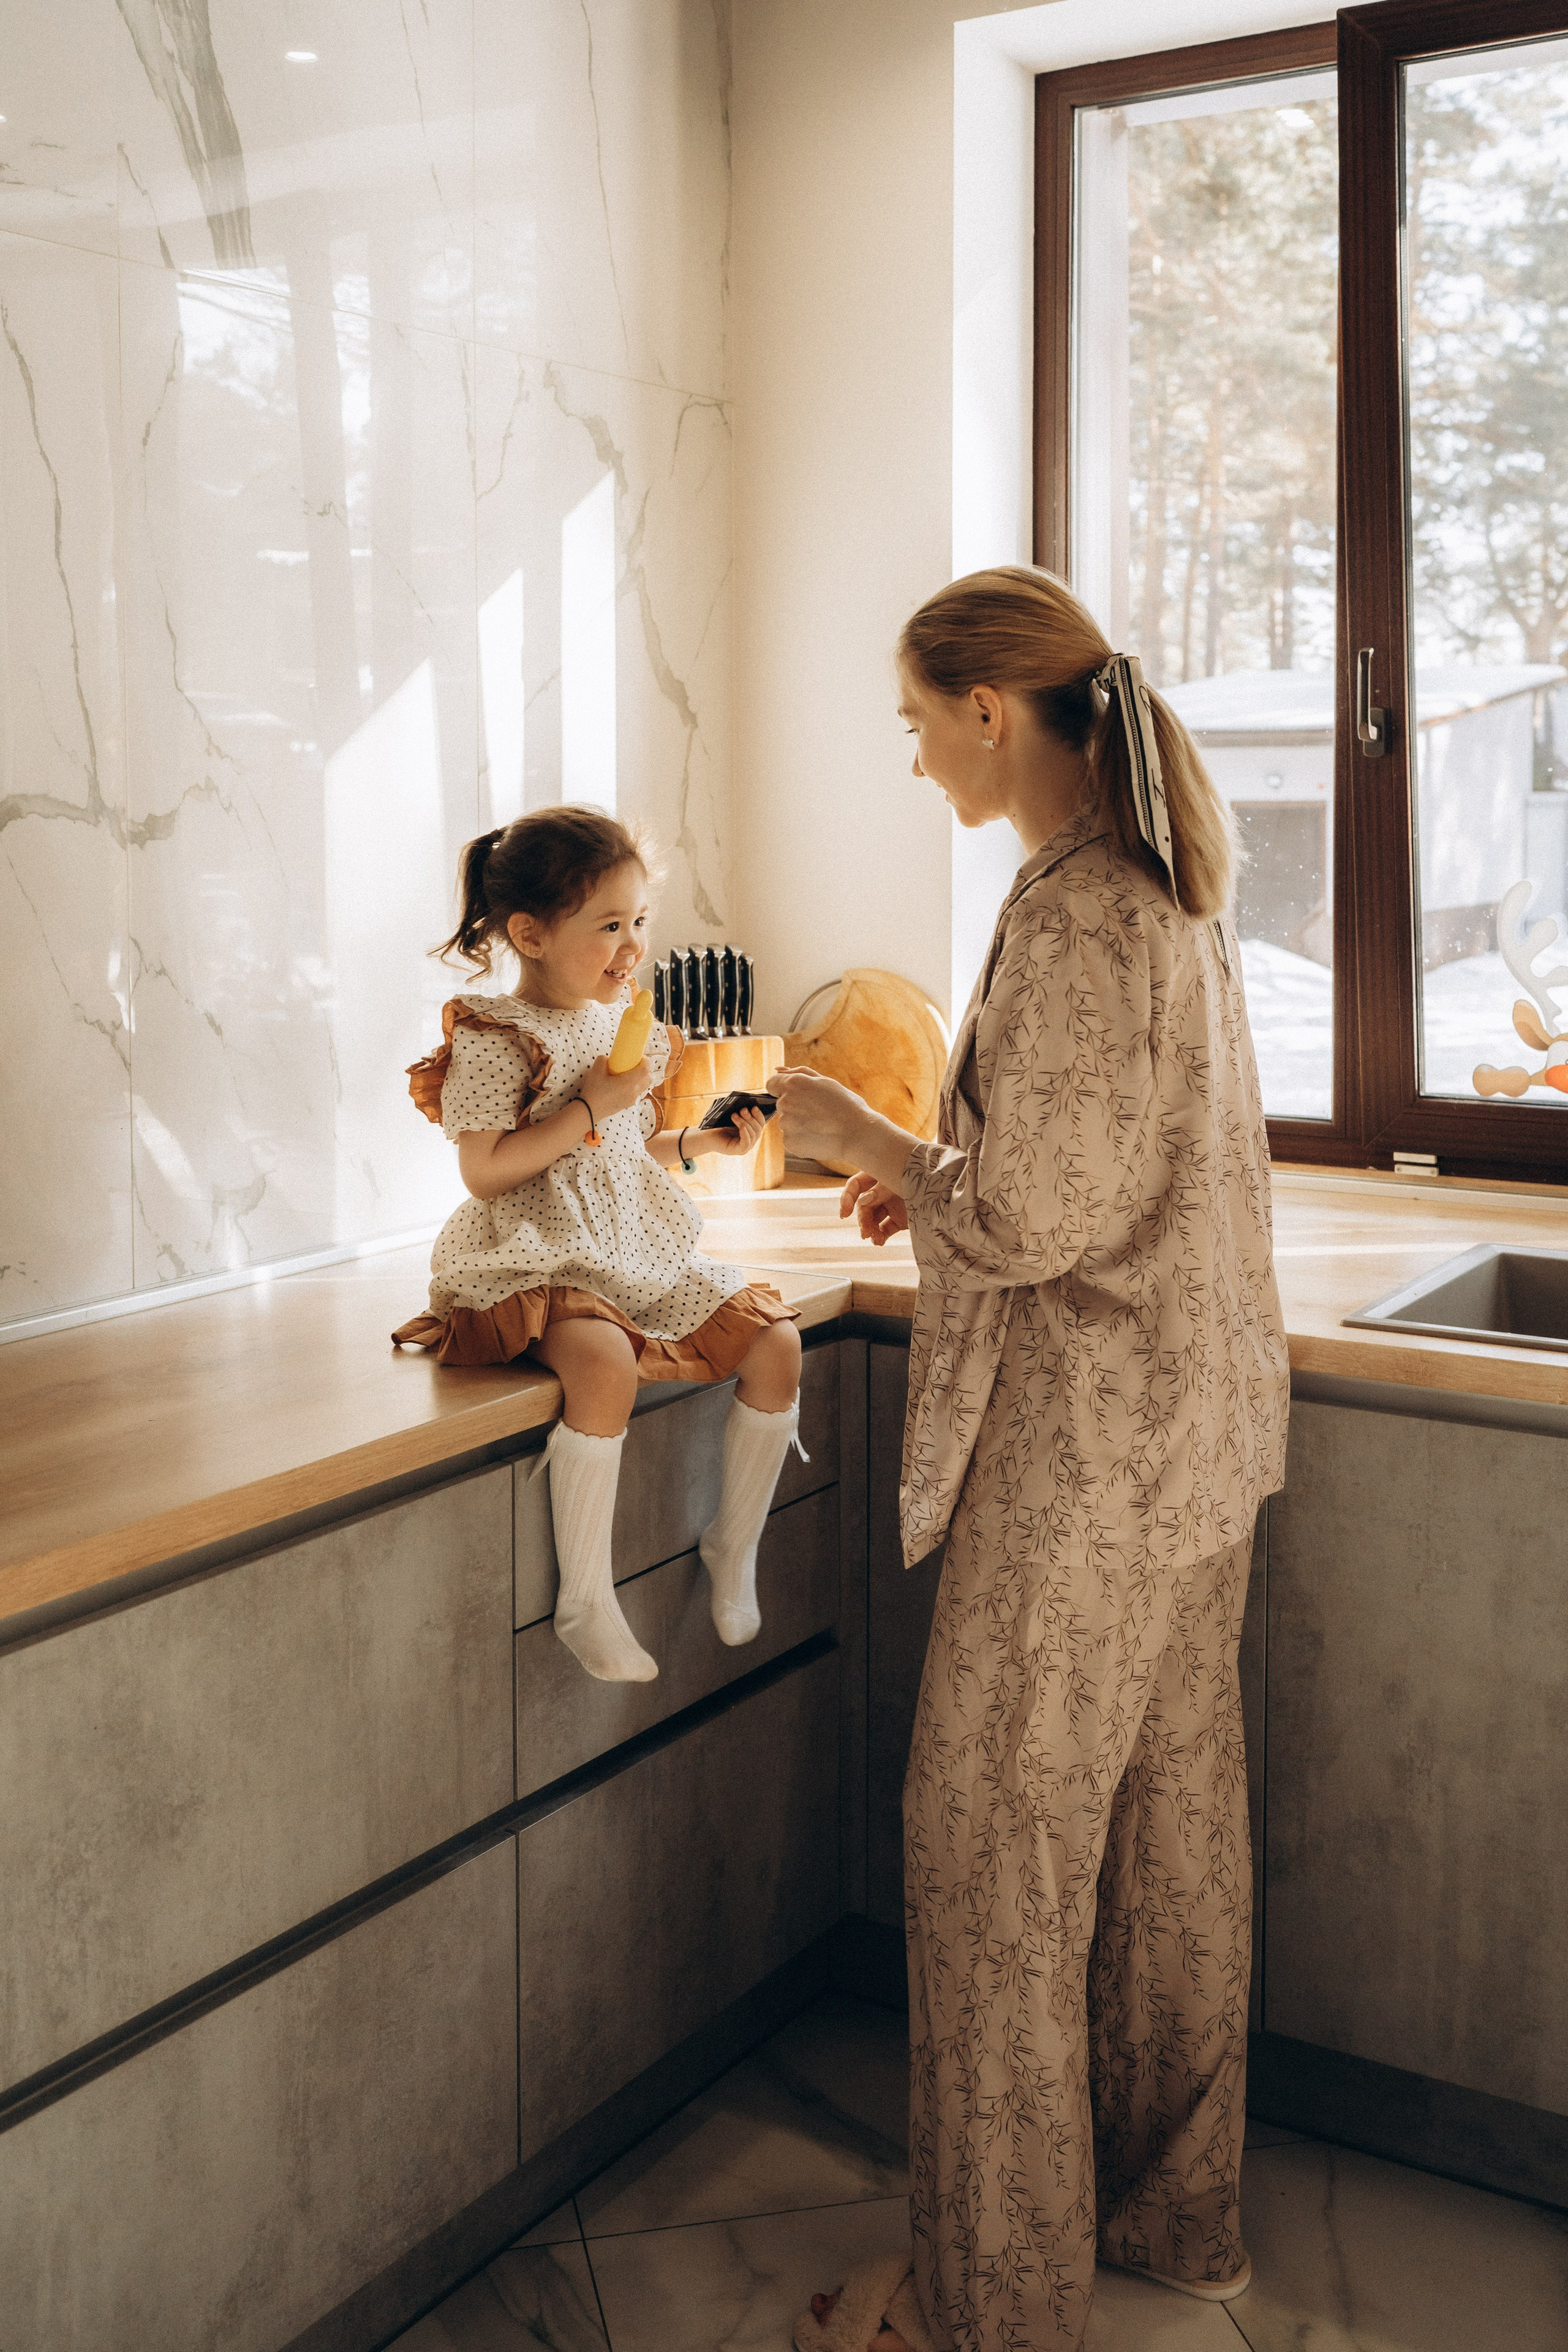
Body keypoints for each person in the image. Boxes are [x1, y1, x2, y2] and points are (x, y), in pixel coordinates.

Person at [775, 567, 1288, 2352]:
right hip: (1196, 1448)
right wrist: (947, 1173)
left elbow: (1041, 1208)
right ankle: (1173, 2219)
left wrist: (879, 1139)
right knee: (1165, 1849)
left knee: (991, 1864)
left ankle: (982, 2311)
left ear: (993, 711)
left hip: (1084, 1473)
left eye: (920, 723)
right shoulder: (1173, 889)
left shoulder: (1076, 912)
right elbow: (1089, 1178)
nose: (917, 760)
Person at [393, 806, 804, 1684]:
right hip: (534, 1255)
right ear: (530, 933)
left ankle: (734, 1544)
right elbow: (488, 1170)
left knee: (777, 1341)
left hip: (626, 1245)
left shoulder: (633, 1035)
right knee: (603, 1363)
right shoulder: (498, 1035)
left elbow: (610, 1150)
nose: (631, 946)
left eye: (639, 923)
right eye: (608, 925)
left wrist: (699, 1144)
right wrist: (595, 1104)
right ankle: (585, 1595)